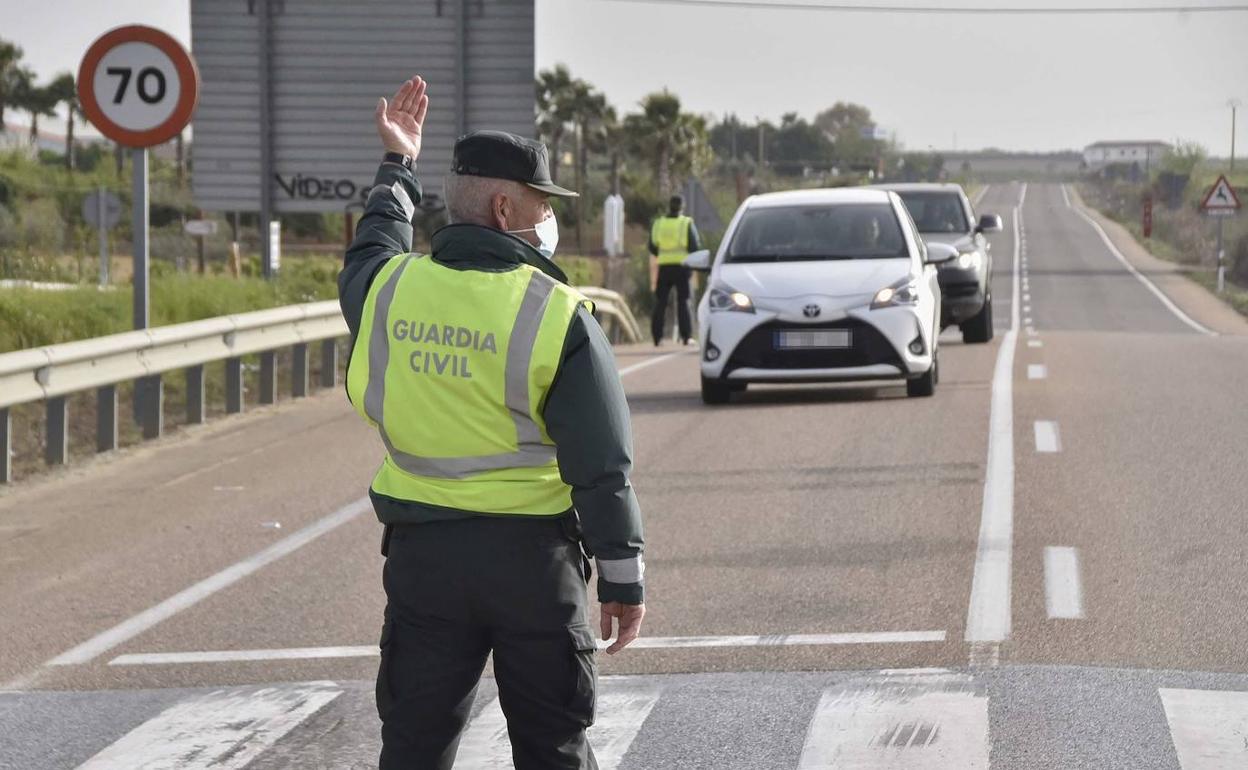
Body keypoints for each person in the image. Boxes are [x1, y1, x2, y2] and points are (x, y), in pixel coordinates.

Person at [338, 76, 646, 770]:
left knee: (414, 747)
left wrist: (398, 165)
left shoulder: (390, 288)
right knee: (552, 749)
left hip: (424, 564)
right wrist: (624, 580)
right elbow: (601, 464)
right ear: (507, 207)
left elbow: (371, 247)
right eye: (543, 202)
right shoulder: (555, 312)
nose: (548, 216)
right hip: (533, 567)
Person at [648, 195, 701, 345]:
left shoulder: (659, 223)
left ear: (669, 206)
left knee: (660, 302)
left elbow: (652, 246)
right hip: (682, 267)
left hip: (664, 267)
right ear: (682, 206)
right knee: (683, 301)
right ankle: (686, 337)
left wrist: (663, 255)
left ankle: (657, 338)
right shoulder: (686, 223)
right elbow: (694, 246)